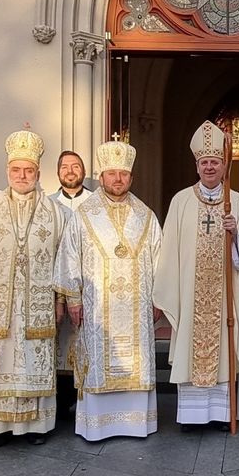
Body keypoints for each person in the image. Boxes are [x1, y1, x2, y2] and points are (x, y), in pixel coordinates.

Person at [54, 139, 163, 441]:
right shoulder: (84, 213)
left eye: (123, 174)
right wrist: (73, 298)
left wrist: (158, 298)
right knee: (98, 360)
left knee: (135, 360)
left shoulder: (146, 216)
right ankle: (98, 425)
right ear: (101, 177)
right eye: (112, 173)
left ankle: (137, 421)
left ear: (131, 177)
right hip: (96, 305)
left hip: (137, 308)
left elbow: (159, 259)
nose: (118, 179)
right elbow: (69, 256)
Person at [155, 121, 239, 429]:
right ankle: (192, 416)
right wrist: (168, 291)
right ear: (197, 165)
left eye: (215, 162)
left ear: (224, 165)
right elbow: (168, 249)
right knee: (192, 348)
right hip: (191, 295)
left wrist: (237, 235)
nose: (210, 167)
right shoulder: (180, 201)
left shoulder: (236, 202)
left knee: (222, 349)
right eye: (205, 162)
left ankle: (219, 414)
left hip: (223, 296)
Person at [0, 127, 67, 446]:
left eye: (29, 170)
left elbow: (63, 260)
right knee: (2, 361)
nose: (22, 175)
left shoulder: (57, 212)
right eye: (16, 169)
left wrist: (60, 301)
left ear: (38, 172)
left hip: (39, 301)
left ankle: (37, 427)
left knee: (35, 360)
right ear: (7, 170)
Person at [53, 149, 92, 418]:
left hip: (88, 288)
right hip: (57, 288)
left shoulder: (95, 203)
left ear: (84, 172)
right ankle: (63, 401)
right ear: (57, 172)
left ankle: (86, 400)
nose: (70, 171)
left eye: (75, 166)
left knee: (85, 343)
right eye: (65, 166)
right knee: (60, 345)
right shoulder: (48, 204)